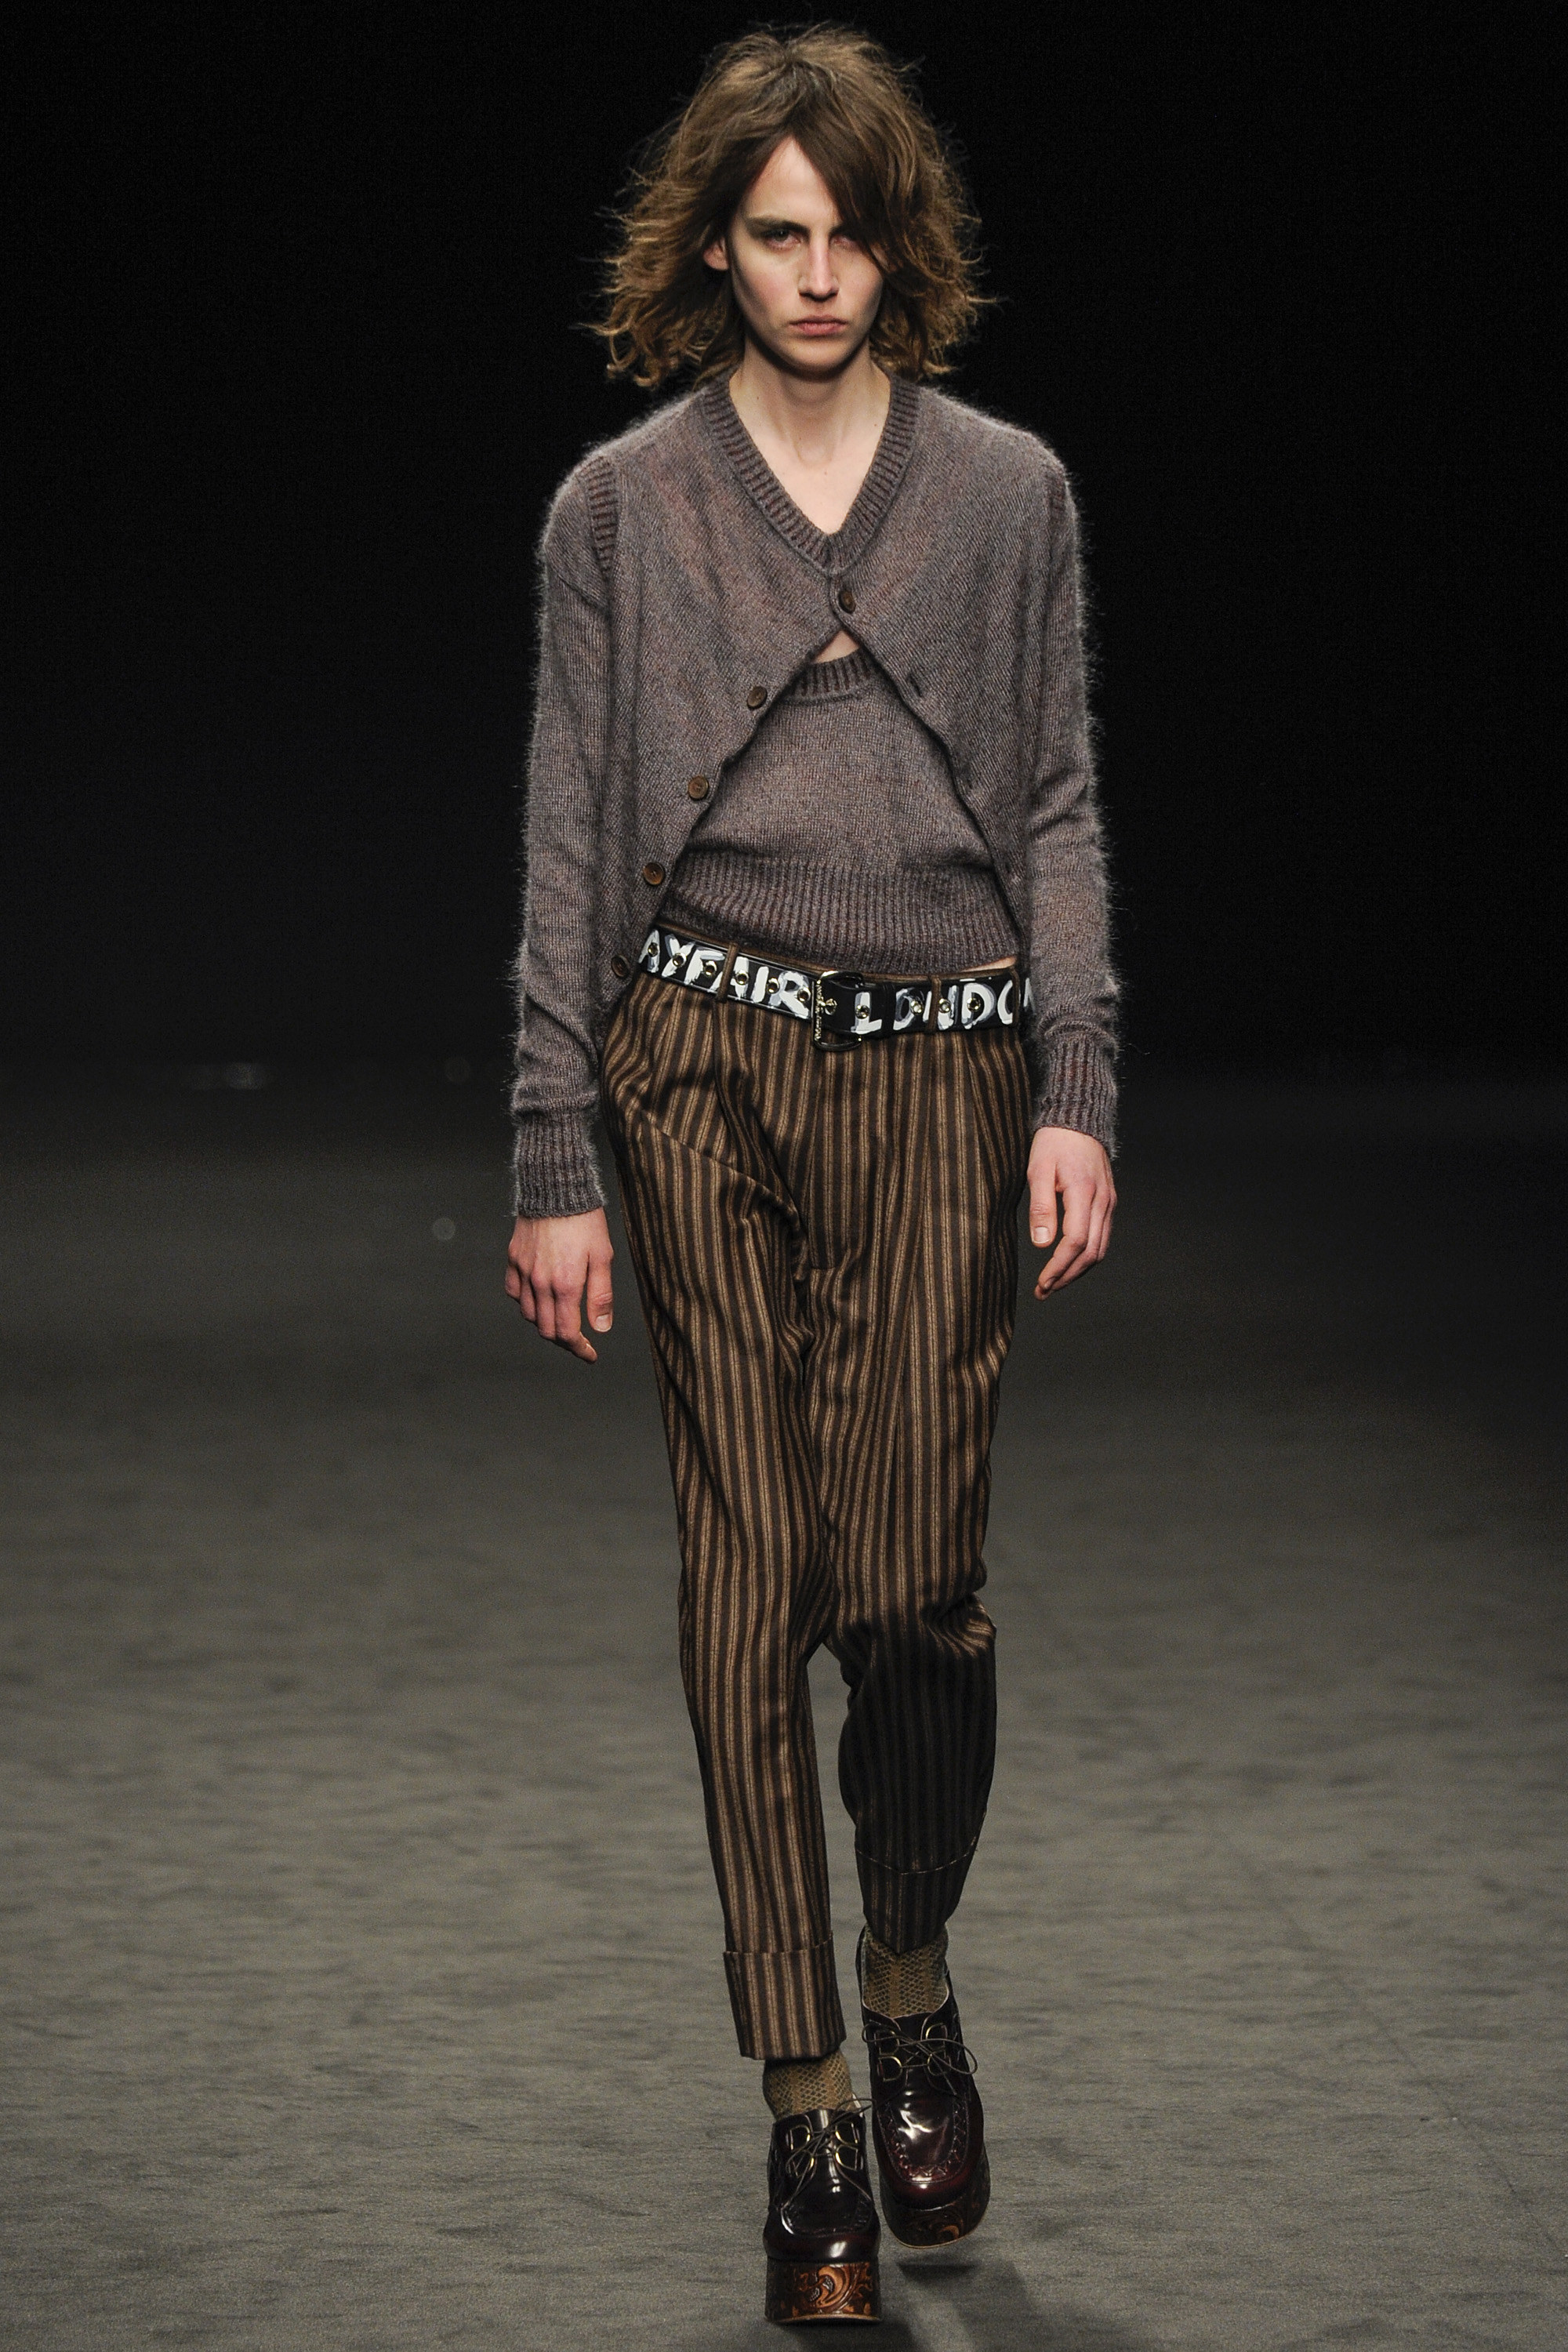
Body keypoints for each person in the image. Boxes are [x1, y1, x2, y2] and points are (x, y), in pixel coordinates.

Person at [505, 25, 1116, 2326]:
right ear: (714, 249)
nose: (820, 274)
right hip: (698, 1066)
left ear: (901, 242)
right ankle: (808, 2109)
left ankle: (912, 1969)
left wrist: (1079, 1083)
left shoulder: (1010, 497)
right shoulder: (620, 512)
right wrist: (553, 1139)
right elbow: (575, 821)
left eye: (853, 231)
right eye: (777, 233)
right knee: (750, 1576)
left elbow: (1050, 796)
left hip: (946, 1072)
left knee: (914, 1591)